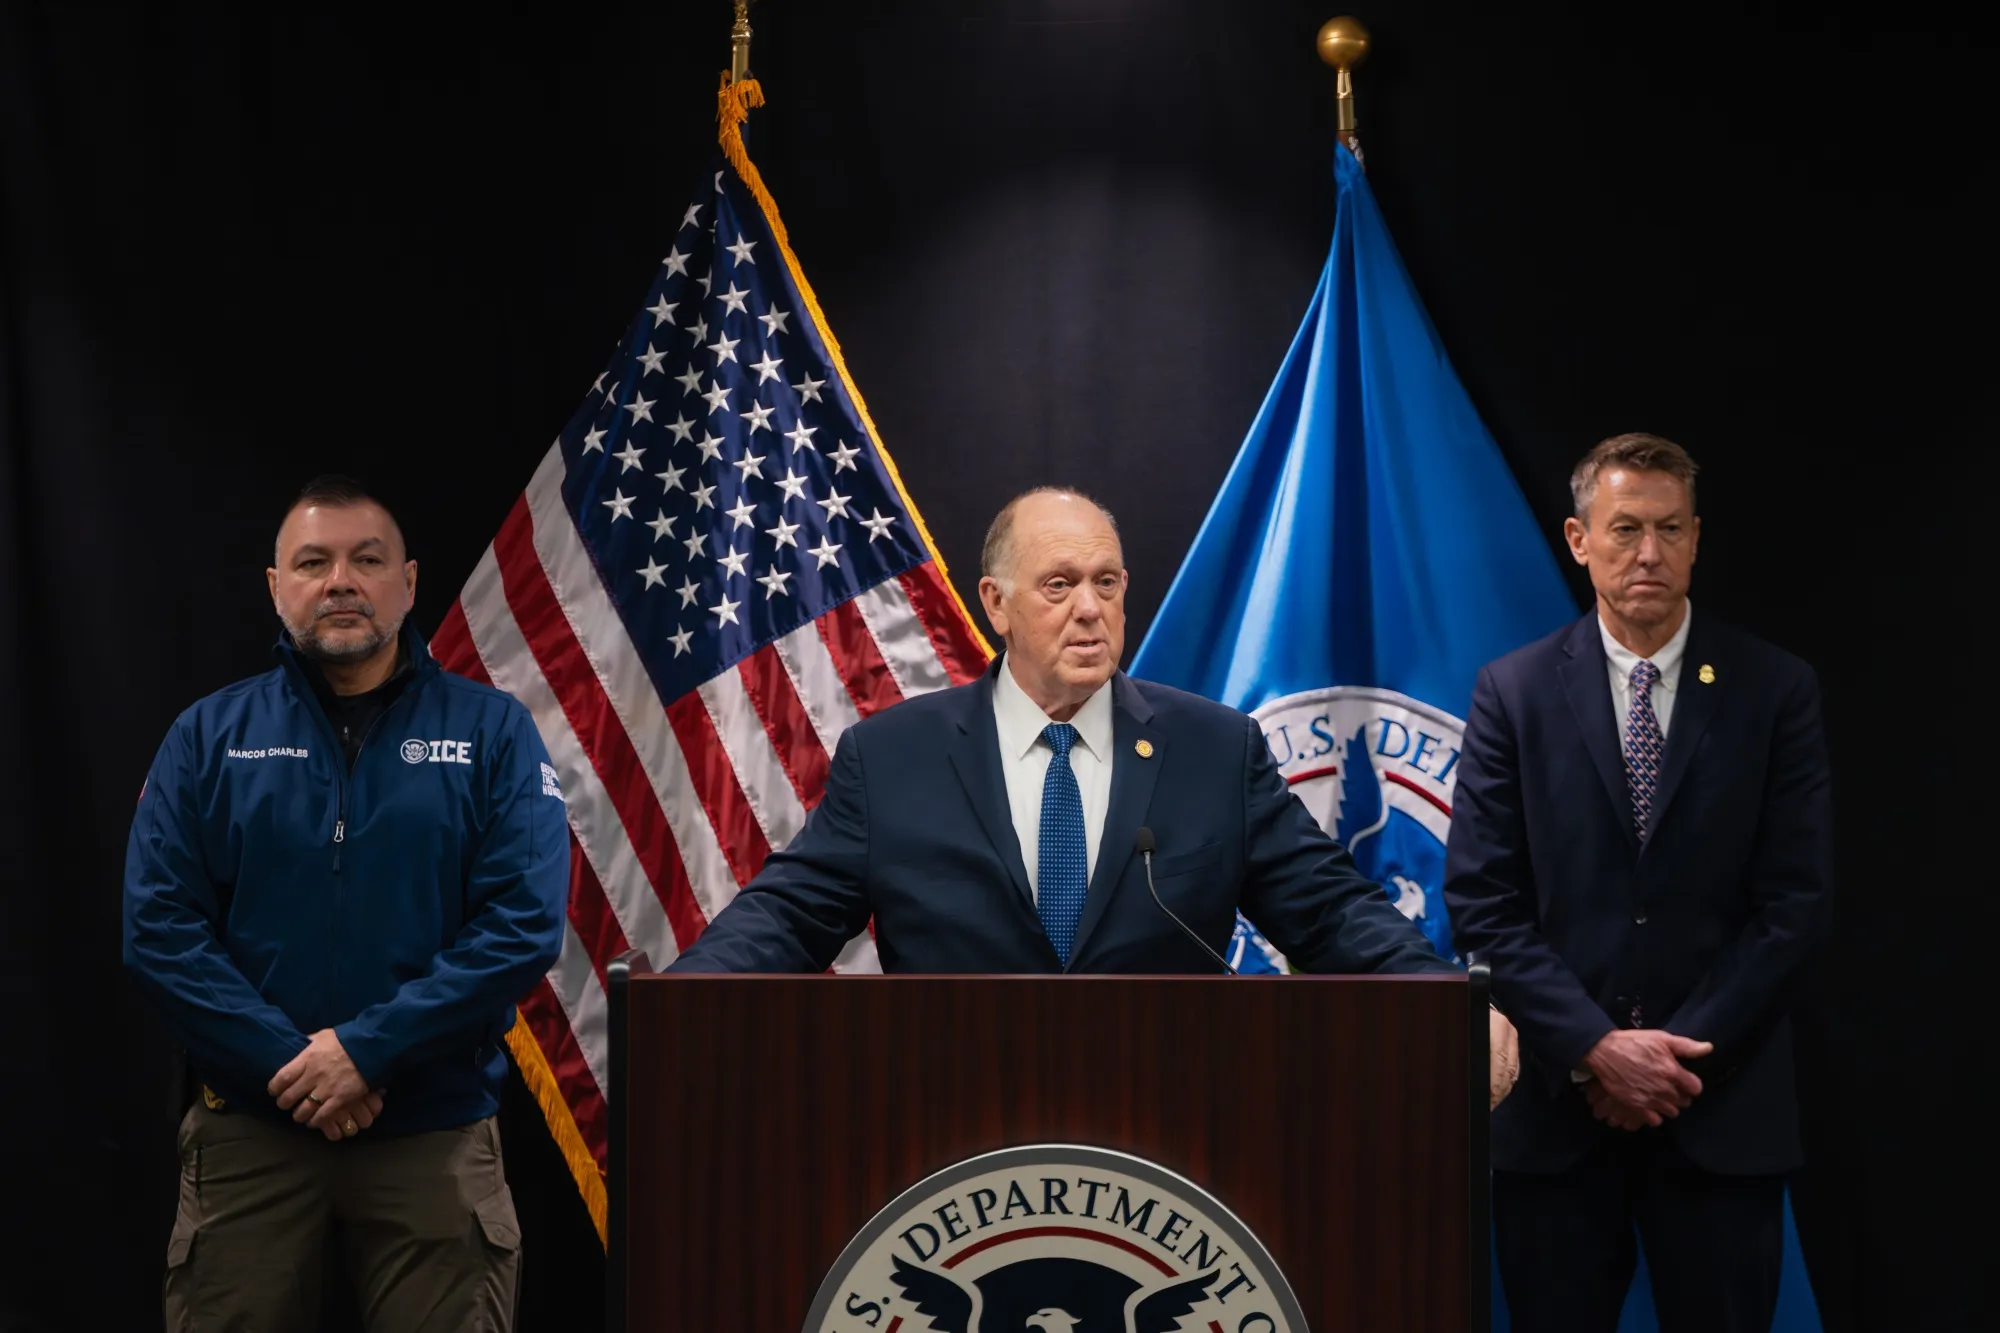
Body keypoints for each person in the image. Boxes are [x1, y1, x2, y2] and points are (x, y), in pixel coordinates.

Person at [672, 488, 1519, 1100]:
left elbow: (1331, 911)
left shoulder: (1214, 748)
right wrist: (679, 1005)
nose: (1090, 610)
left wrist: (1446, 999)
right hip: (951, 1128)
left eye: (1107, 583)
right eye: (1059, 585)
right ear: (995, 604)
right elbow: (790, 911)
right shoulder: (894, 756)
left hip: (1171, 1132)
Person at [123, 476, 568, 1332]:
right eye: (314, 561)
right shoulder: (207, 736)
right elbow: (158, 932)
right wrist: (297, 1065)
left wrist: (368, 1051)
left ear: (407, 581)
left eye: (367, 560)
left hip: (433, 1133)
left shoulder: (493, 731)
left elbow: (521, 925)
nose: (341, 581)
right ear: (276, 586)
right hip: (251, 1132)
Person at [1444, 434, 1832, 1332]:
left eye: (1668, 528)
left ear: (1697, 538)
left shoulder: (1776, 689)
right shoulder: (1514, 691)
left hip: (1720, 1113)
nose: (1647, 553)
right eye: (1625, 529)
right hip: (1555, 1122)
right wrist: (1596, 1048)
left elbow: (1796, 904)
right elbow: (1482, 902)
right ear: (1579, 540)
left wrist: (1670, 1058)